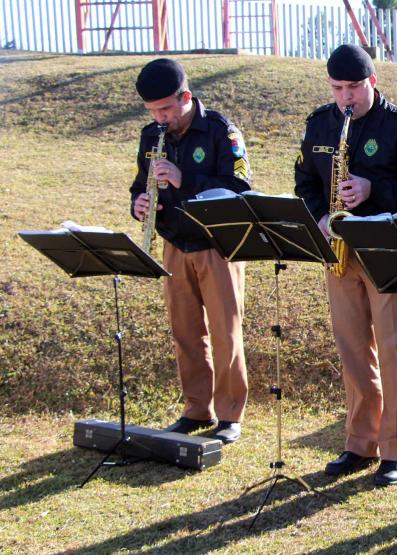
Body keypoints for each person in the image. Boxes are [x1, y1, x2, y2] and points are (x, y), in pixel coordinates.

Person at [294, 45, 397, 486]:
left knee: (396, 355)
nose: (345, 98)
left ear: (371, 82)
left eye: (353, 87)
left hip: (390, 252)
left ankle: (396, 450)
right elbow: (304, 181)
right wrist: (319, 213)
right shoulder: (320, 122)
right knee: (353, 352)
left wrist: (372, 188)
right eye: (337, 88)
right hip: (339, 254)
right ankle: (360, 443)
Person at [129, 58, 251, 444]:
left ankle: (230, 414)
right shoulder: (151, 136)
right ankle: (197, 409)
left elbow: (239, 188)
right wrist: (139, 204)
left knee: (224, 332)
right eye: (153, 111)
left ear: (186, 96)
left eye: (166, 109)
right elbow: (139, 184)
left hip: (217, 246)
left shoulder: (220, 130)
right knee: (186, 332)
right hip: (175, 244)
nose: (160, 118)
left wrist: (184, 179)